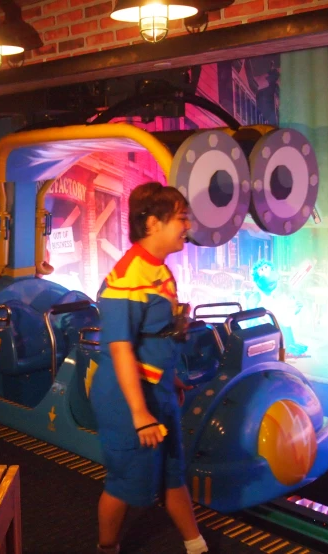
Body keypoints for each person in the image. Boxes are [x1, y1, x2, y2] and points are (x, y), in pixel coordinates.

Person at [90, 182, 208, 554]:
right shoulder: (129, 278)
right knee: (125, 483)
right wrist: (140, 413)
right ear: (153, 223)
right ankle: (107, 547)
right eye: (181, 219)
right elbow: (121, 349)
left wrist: (169, 377)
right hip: (128, 399)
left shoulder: (156, 269)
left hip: (156, 390)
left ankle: (196, 546)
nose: (187, 226)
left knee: (173, 471)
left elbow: (152, 337)